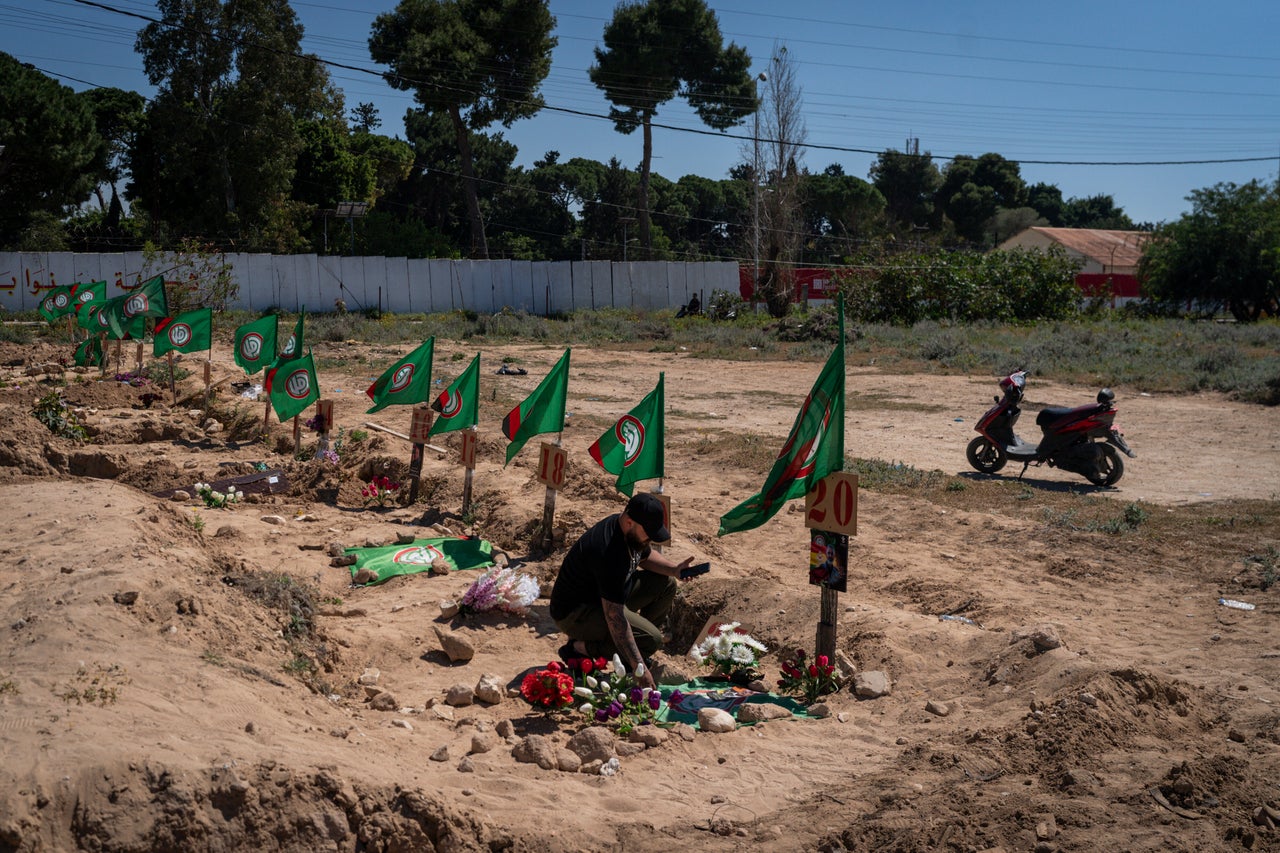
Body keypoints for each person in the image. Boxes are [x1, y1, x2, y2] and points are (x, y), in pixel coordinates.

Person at [549, 493, 696, 688]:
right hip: (576, 613)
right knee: (652, 639)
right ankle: (579, 648)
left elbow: (644, 556)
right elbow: (614, 617)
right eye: (649, 533)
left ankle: (634, 649)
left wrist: (674, 569)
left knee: (666, 584)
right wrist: (639, 668)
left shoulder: (630, 532)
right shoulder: (608, 552)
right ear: (629, 522)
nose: (650, 539)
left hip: (604, 598)